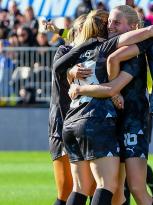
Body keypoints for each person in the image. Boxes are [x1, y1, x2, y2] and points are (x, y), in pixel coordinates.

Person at [54, 9, 153, 205]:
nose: (110, 26)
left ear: (133, 27)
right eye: (109, 22)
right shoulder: (104, 47)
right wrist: (72, 71)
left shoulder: (136, 48)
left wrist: (109, 90)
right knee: (115, 191)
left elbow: (148, 32)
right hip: (108, 121)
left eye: (116, 22)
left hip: (133, 121)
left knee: (136, 188)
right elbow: (78, 45)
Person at [48, 14, 91, 205]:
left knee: (92, 187)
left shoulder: (96, 52)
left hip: (89, 124)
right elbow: (60, 70)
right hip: (62, 122)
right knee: (66, 190)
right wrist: (71, 72)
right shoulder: (64, 50)